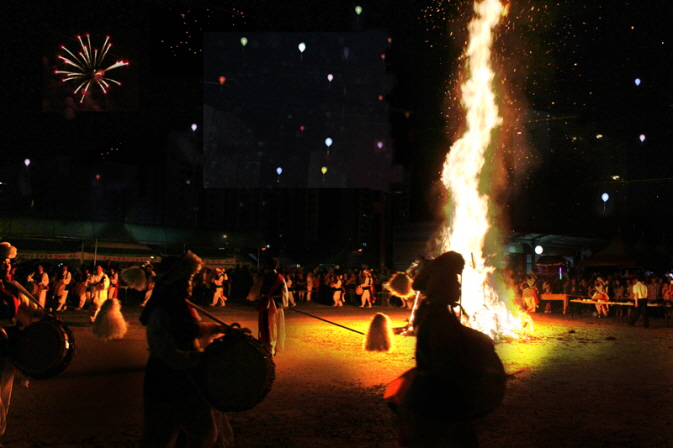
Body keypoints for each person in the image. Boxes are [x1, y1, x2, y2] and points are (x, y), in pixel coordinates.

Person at [391, 251, 505, 448]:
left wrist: (474, 338)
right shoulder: (438, 318)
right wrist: (484, 374)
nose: (459, 286)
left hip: (432, 397)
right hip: (437, 400)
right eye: (455, 281)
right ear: (442, 285)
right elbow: (447, 364)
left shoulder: (431, 310)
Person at [139, 251, 233, 448]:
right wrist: (202, 358)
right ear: (175, 282)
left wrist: (220, 330)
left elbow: (192, 331)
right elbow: (168, 354)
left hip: (190, 381)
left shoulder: (183, 307)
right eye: (187, 280)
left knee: (206, 433)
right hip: (165, 382)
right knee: (161, 439)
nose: (191, 284)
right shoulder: (160, 313)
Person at [255, 257, 288, 356]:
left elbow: (256, 289)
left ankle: (269, 348)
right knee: (276, 326)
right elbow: (285, 292)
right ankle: (274, 347)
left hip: (266, 305)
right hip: (277, 305)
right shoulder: (280, 278)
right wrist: (285, 303)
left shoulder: (263, 277)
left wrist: (252, 297)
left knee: (268, 326)